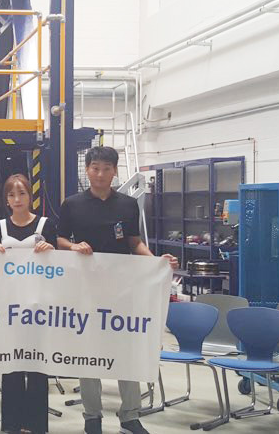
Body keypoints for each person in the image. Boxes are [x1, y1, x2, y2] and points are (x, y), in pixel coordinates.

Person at [55, 146, 179, 434]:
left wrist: (157, 262)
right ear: (87, 170)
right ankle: (92, 417)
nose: (100, 174)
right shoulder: (72, 204)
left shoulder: (127, 204)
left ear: (114, 171)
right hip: (86, 289)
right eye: (95, 168)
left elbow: (134, 242)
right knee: (89, 352)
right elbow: (59, 239)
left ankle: (130, 416)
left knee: (126, 350)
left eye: (106, 169)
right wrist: (74, 246)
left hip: (123, 291)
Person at [0, 174, 56, 434]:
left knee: (38, 364)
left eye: (22, 193)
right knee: (12, 363)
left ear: (30, 196)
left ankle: (37, 424)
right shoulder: (0, 226)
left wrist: (51, 250)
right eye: (11, 195)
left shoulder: (46, 224)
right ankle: (12, 424)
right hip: (9, 306)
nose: (17, 199)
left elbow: (60, 265)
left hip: (39, 305)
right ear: (6, 199)